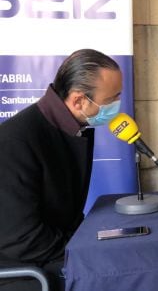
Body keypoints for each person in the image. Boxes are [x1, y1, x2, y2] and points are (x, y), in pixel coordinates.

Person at [0, 49, 123, 291]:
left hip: (57, 250)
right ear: (79, 100)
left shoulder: (76, 127)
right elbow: (20, 238)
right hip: (24, 268)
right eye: (111, 100)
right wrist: (84, 250)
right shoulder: (15, 141)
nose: (116, 106)